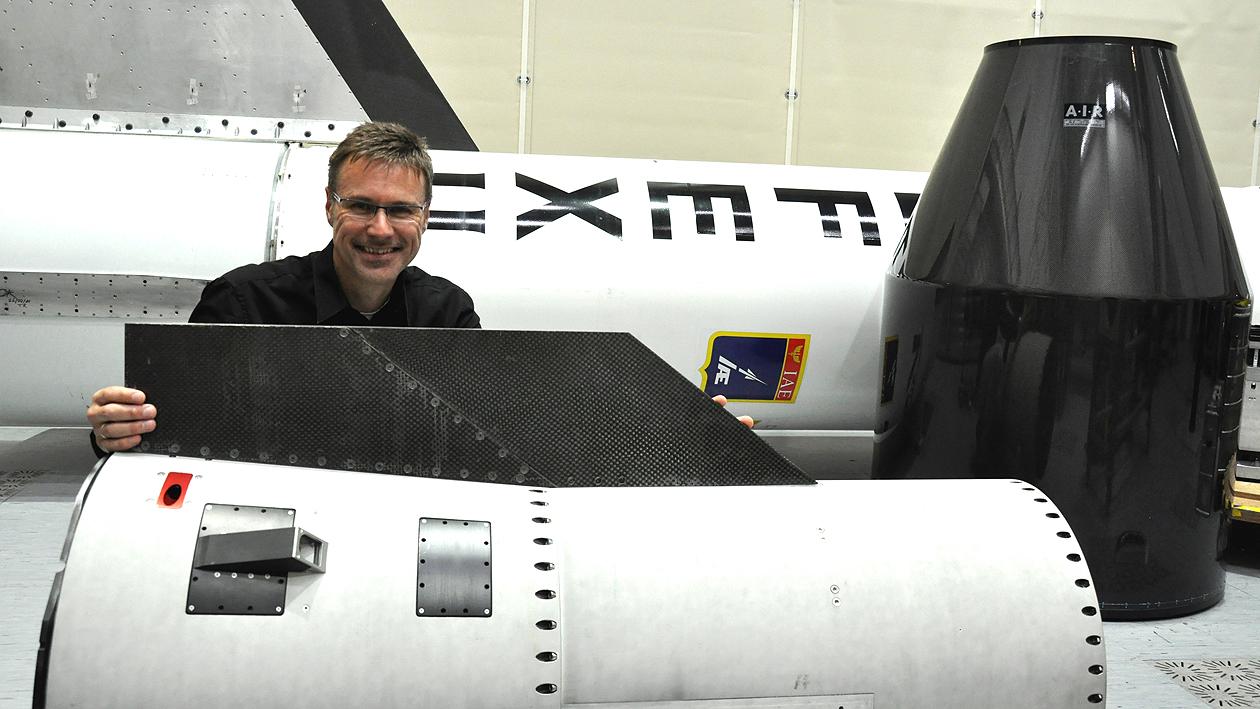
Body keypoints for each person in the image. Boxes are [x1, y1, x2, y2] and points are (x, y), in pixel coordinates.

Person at [87, 122, 750, 453]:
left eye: (400, 211)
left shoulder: (446, 311)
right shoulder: (243, 302)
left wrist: (678, 430)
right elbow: (167, 428)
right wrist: (113, 431)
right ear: (329, 208)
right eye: (361, 206)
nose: (381, 229)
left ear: (425, 218)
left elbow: (507, 424)